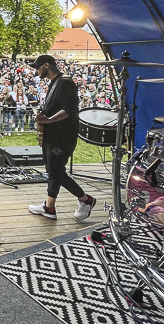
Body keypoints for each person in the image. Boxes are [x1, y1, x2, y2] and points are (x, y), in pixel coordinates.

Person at [28, 55, 95, 220]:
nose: (37, 71)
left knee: (56, 171)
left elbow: (68, 110)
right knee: (52, 170)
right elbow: (54, 106)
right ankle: (49, 207)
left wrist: (49, 119)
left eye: (38, 67)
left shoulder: (66, 82)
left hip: (63, 137)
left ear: (46, 64)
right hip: (52, 135)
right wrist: (42, 114)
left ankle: (85, 199)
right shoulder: (54, 82)